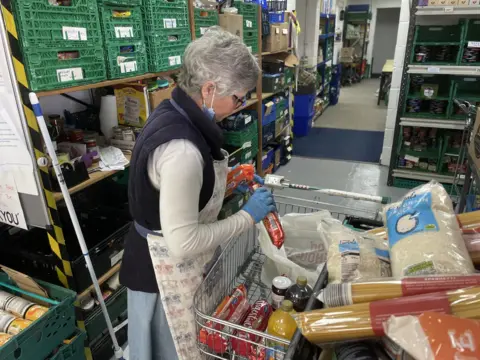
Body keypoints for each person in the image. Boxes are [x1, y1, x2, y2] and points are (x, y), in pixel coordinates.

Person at [119, 27, 276, 360]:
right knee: (172, 351)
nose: (241, 105)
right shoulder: (182, 151)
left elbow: (184, 192)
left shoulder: (172, 112)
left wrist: (229, 181)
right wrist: (248, 217)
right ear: (208, 89)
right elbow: (184, 242)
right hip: (162, 276)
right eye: (238, 97)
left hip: (166, 262)